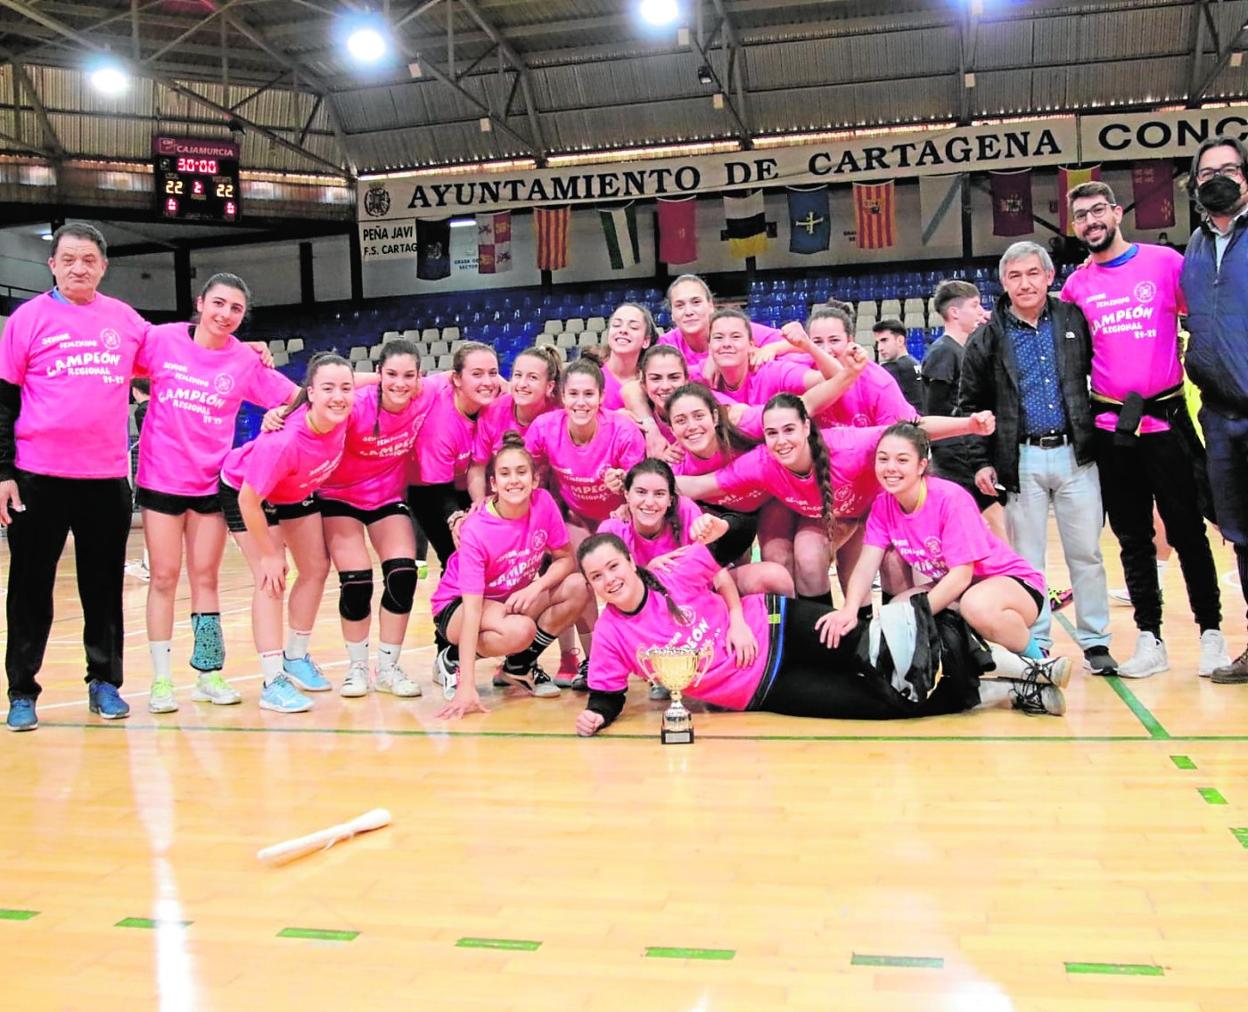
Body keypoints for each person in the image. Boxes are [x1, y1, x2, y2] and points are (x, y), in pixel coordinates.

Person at [572, 535, 1064, 738]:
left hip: (774, 626)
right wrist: (595, 716)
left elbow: (720, 574)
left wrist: (738, 621)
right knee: (881, 703)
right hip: (761, 690)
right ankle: (999, 689)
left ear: (630, 562)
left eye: (614, 566)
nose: (609, 579)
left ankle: (1003, 660)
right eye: (597, 576)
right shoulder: (613, 632)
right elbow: (608, 694)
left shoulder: (672, 569)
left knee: (878, 646)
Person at [1062, 180, 1227, 678]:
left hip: (1167, 421)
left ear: (1116, 212)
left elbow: (1207, 317)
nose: (1091, 222)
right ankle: (1150, 639)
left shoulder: (1164, 263)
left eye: (1097, 211)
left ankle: (1211, 634)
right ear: (1074, 228)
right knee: (1132, 538)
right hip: (1113, 429)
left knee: (1189, 532)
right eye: (1080, 217)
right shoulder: (1075, 287)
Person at [0, 223, 149, 731]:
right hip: (37, 476)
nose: (78, 267)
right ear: (53, 265)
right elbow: (2, 400)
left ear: (103, 266)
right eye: (68, 259)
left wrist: (249, 351)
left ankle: (104, 683)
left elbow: (178, 356)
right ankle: (22, 690)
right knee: (29, 586)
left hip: (105, 477)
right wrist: (3, 472)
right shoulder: (27, 320)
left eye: (88, 259)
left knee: (103, 586)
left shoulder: (126, 321)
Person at [136, 273, 298, 714]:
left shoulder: (245, 361)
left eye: (236, 309)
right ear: (200, 302)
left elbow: (296, 399)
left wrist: (357, 386)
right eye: (219, 304)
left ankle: (208, 673)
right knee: (165, 578)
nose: (225, 315)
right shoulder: (162, 340)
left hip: (210, 483)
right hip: (160, 480)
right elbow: (121, 362)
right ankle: (161, 681)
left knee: (205, 579)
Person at [958, 240, 1118, 674]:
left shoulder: (1072, 319)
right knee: (1027, 559)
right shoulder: (987, 336)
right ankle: (1038, 641)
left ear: (1049, 277)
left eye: (1033, 273)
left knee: (1086, 552)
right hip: (1020, 459)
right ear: (1003, 283)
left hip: (1076, 454)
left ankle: (1096, 641)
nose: (1025, 283)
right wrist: (981, 463)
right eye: (1014, 276)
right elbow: (969, 404)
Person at [675, 393, 994, 604]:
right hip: (830, 516)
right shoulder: (761, 462)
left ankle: (897, 639)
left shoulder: (849, 447)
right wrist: (639, 481)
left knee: (895, 566)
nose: (781, 441)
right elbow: (700, 485)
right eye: (772, 433)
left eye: (789, 430)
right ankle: (824, 642)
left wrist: (968, 425)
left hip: (874, 511)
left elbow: (910, 430)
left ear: (806, 426)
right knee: (808, 557)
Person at [822, 424, 1069, 685]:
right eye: (883, 459)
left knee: (972, 606)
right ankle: (981, 666)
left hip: (1012, 583)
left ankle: (1039, 663)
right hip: (963, 590)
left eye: (902, 460)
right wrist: (849, 609)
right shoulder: (884, 505)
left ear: (921, 465)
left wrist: (919, 616)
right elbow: (866, 565)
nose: (890, 468)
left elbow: (961, 576)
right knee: (898, 610)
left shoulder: (950, 499)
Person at [218, 353, 354, 713]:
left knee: (315, 567)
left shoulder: (342, 413)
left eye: (345, 387)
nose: (338, 396)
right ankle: (271, 680)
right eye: (328, 388)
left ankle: (295, 657)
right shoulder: (283, 442)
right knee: (272, 579)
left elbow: (377, 381)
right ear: (310, 392)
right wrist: (268, 553)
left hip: (294, 488)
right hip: (248, 492)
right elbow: (249, 500)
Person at [432, 433, 591, 716]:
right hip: (457, 607)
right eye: (504, 474)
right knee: (521, 630)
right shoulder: (476, 531)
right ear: (493, 484)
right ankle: (451, 659)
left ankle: (518, 667)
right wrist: (467, 686)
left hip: (511, 599)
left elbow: (565, 559)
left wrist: (536, 587)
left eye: (521, 472)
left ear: (534, 480)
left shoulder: (542, 503)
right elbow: (471, 612)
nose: (514, 480)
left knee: (578, 586)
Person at [317, 340, 432, 700]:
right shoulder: (354, 404)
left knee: (402, 574)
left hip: (386, 497)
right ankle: (357, 667)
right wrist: (277, 415)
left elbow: (475, 380)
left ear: (419, 378)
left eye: (408, 376)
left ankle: (388, 667)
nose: (400, 383)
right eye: (391, 374)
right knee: (357, 582)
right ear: (379, 374)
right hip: (339, 497)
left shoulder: (425, 396)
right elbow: (312, 398)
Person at [524, 358, 646, 687]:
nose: (581, 402)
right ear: (562, 397)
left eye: (588, 394)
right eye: (573, 394)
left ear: (602, 397)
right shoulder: (545, 428)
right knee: (581, 576)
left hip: (620, 517)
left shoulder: (623, 431)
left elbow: (640, 485)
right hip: (575, 515)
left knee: (632, 578)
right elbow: (526, 474)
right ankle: (594, 661)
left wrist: (623, 484)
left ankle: (650, 656)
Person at [464, 344, 577, 684]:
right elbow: (478, 466)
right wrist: (480, 507)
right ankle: (488, 657)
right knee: (509, 581)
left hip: (550, 505)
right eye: (517, 376)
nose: (523, 383)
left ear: (550, 386)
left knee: (562, 578)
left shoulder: (561, 409)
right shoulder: (495, 411)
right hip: (505, 508)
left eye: (533, 377)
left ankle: (568, 657)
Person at [1180, 134, 1248, 683]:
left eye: (1228, 168)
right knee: (1241, 535)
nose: (1218, 178)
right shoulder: (1196, 247)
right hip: (1222, 415)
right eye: (1207, 173)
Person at [921, 280, 1007, 540]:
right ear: (955, 312)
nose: (981, 311)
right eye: (974, 305)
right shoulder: (943, 352)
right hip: (958, 461)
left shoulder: (968, 350)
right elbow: (937, 413)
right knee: (998, 528)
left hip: (972, 453)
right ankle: (1022, 579)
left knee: (994, 528)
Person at [406, 341, 500, 568]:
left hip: (469, 482)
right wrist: (456, 517)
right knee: (456, 560)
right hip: (430, 491)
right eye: (477, 374)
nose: (487, 382)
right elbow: (439, 491)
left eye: (493, 373)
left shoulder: (494, 402)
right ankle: (451, 602)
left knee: (490, 557)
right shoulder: (441, 425)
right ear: (456, 379)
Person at [660, 274, 794, 382]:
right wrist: (713, 362)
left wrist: (772, 348)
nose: (688, 311)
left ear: (711, 305)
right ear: (671, 313)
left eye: (696, 302)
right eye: (679, 305)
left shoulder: (736, 328)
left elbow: (799, 344)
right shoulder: (665, 345)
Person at [803, 302, 915, 428]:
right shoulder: (799, 373)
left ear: (850, 341)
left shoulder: (879, 383)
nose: (826, 350)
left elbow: (900, 438)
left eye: (834, 340)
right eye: (817, 342)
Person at [704, 308, 839, 405]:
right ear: (709, 347)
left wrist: (809, 346)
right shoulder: (702, 375)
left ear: (751, 345)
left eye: (736, 337)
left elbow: (837, 378)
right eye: (718, 337)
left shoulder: (772, 372)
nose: (726, 344)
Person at [620, 344, 691, 461]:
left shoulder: (703, 412)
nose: (665, 386)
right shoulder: (634, 420)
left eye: (674, 377)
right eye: (655, 378)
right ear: (643, 384)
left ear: (686, 380)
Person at [599, 302, 658, 409]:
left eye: (633, 327)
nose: (623, 330)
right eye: (616, 325)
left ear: (646, 341)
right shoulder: (592, 376)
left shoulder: (654, 382)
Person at [871, 319, 924, 411]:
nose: (879, 348)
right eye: (878, 343)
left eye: (884, 340)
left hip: (907, 422)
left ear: (900, 341)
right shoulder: (915, 363)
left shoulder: (894, 368)